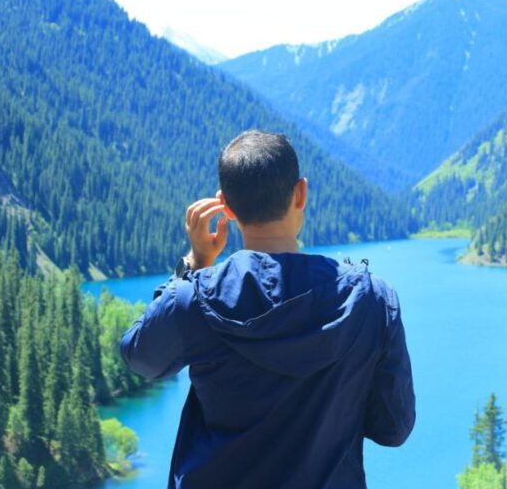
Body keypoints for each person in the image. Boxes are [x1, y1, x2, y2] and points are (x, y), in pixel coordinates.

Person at [120, 130, 416, 488]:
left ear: (226, 207)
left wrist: (194, 263)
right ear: (301, 193)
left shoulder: (194, 299)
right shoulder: (371, 299)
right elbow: (393, 427)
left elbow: (141, 356)